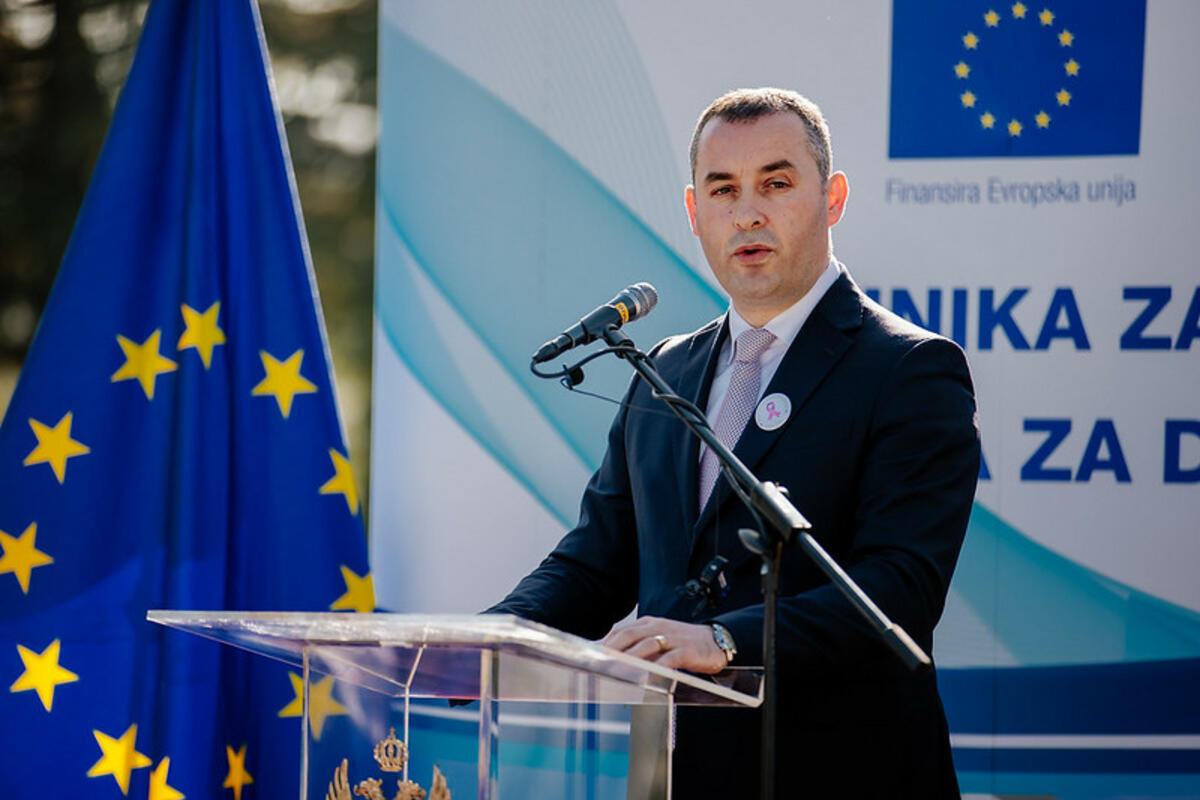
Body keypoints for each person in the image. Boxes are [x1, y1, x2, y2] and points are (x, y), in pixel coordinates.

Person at [489, 88, 979, 798]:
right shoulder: (664, 371)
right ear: (694, 213)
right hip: (675, 771)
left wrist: (726, 640)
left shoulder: (909, 369)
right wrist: (489, 639)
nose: (747, 213)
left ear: (833, 198)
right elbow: (597, 562)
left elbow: (899, 590)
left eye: (775, 184)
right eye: (723, 190)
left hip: (843, 772)